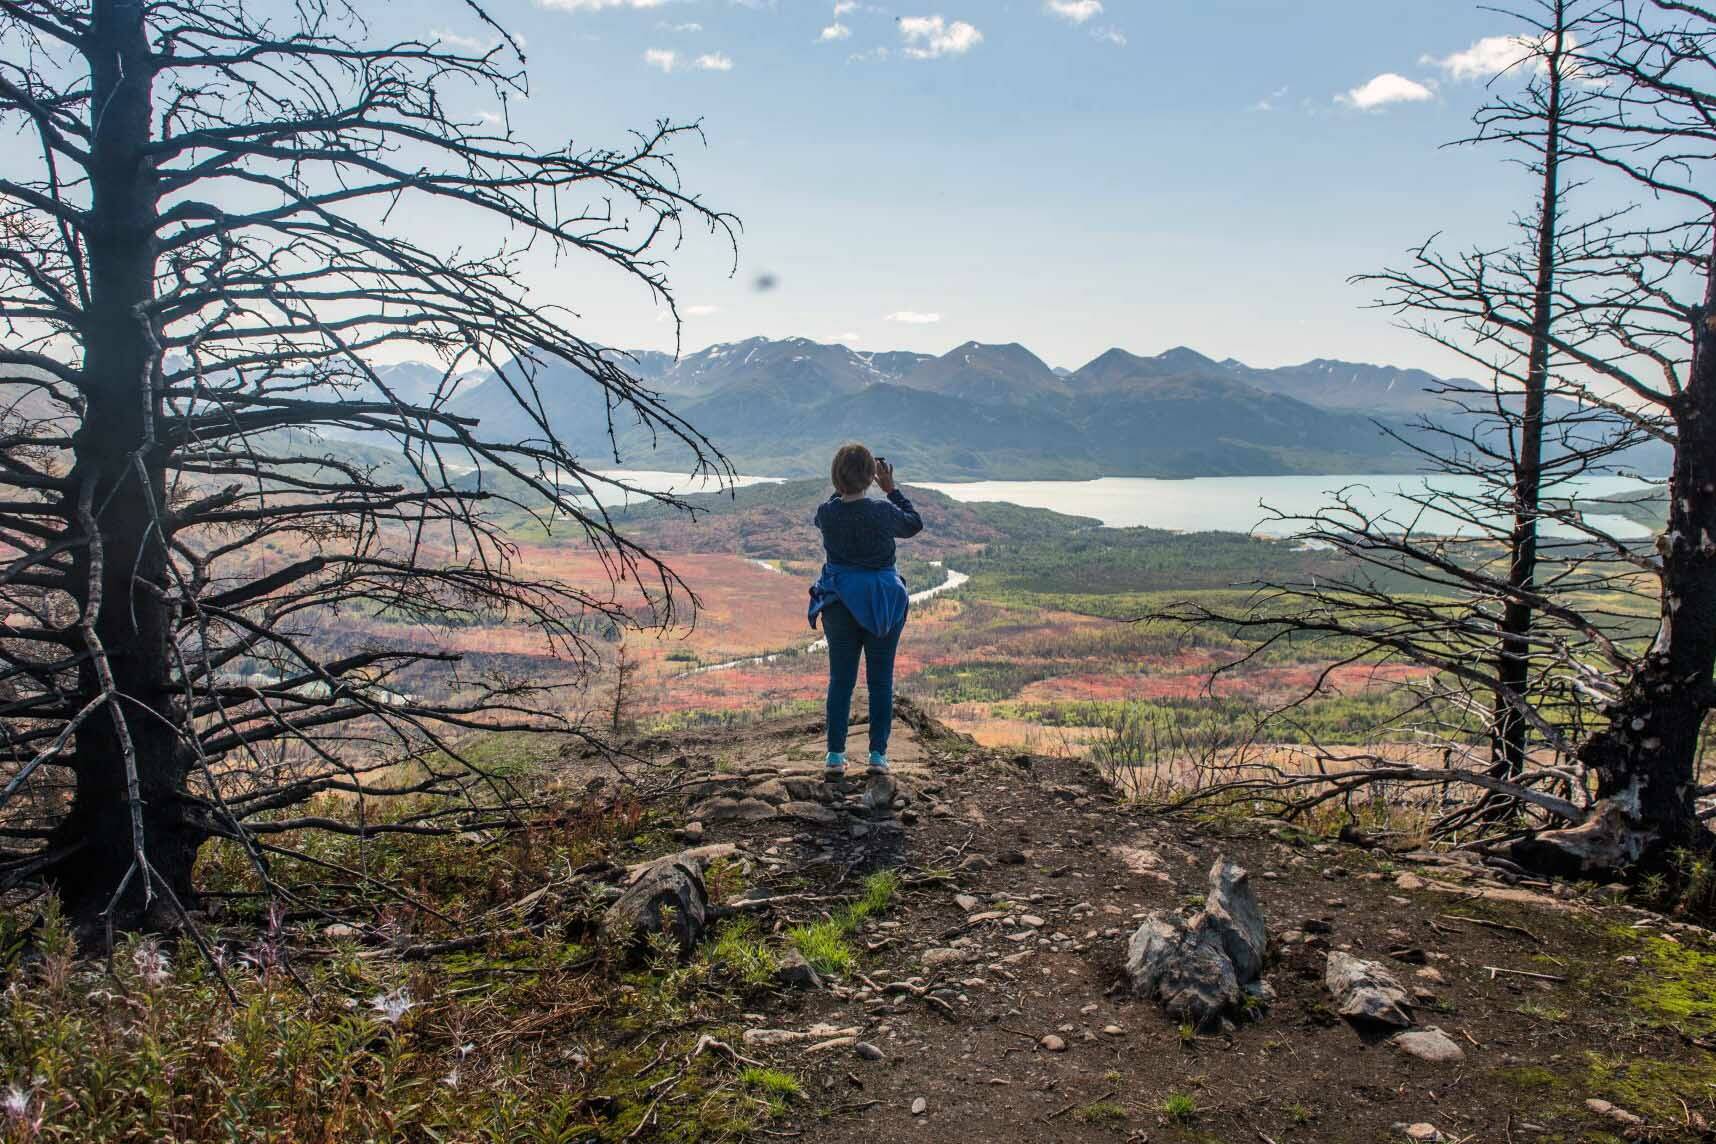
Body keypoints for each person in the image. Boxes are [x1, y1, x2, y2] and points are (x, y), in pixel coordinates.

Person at [808, 443, 924, 784]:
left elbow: (830, 506)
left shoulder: (827, 514)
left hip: (839, 602)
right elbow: (914, 523)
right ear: (871, 477)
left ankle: (834, 756)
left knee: (840, 681)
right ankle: (877, 756)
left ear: (836, 477)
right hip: (883, 603)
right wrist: (891, 491)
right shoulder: (881, 511)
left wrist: (845, 485)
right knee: (880, 681)